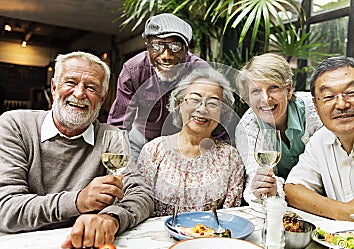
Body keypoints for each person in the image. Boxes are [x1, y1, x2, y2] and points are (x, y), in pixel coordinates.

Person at [0, 51, 154, 249]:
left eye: (91, 87)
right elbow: (6, 208)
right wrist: (78, 201)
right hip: (21, 247)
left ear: (102, 99)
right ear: (54, 88)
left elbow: (140, 193)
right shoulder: (15, 125)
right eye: (71, 83)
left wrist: (112, 217)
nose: (80, 93)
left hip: (85, 247)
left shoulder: (111, 136)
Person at [284, 56, 354, 221]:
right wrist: (345, 212)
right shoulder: (320, 140)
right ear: (316, 106)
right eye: (329, 97)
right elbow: (293, 190)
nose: (341, 104)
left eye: (351, 93)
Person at [137, 67, 245, 216]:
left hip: (209, 237)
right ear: (180, 104)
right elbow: (139, 203)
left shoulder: (231, 158)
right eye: (195, 99)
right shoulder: (154, 151)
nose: (202, 109)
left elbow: (230, 216)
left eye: (213, 103)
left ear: (222, 112)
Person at [107, 13, 206, 162]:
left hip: (183, 140)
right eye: (157, 46)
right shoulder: (133, 70)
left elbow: (215, 116)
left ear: (186, 48)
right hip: (141, 139)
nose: (166, 55)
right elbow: (120, 123)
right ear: (147, 47)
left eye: (175, 47)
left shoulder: (201, 71)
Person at [235, 53, 322, 211]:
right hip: (280, 208)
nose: (265, 99)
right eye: (255, 91)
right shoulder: (247, 127)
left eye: (273, 88)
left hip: (321, 202)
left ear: (288, 90)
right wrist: (261, 186)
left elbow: (325, 171)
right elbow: (254, 177)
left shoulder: (316, 111)